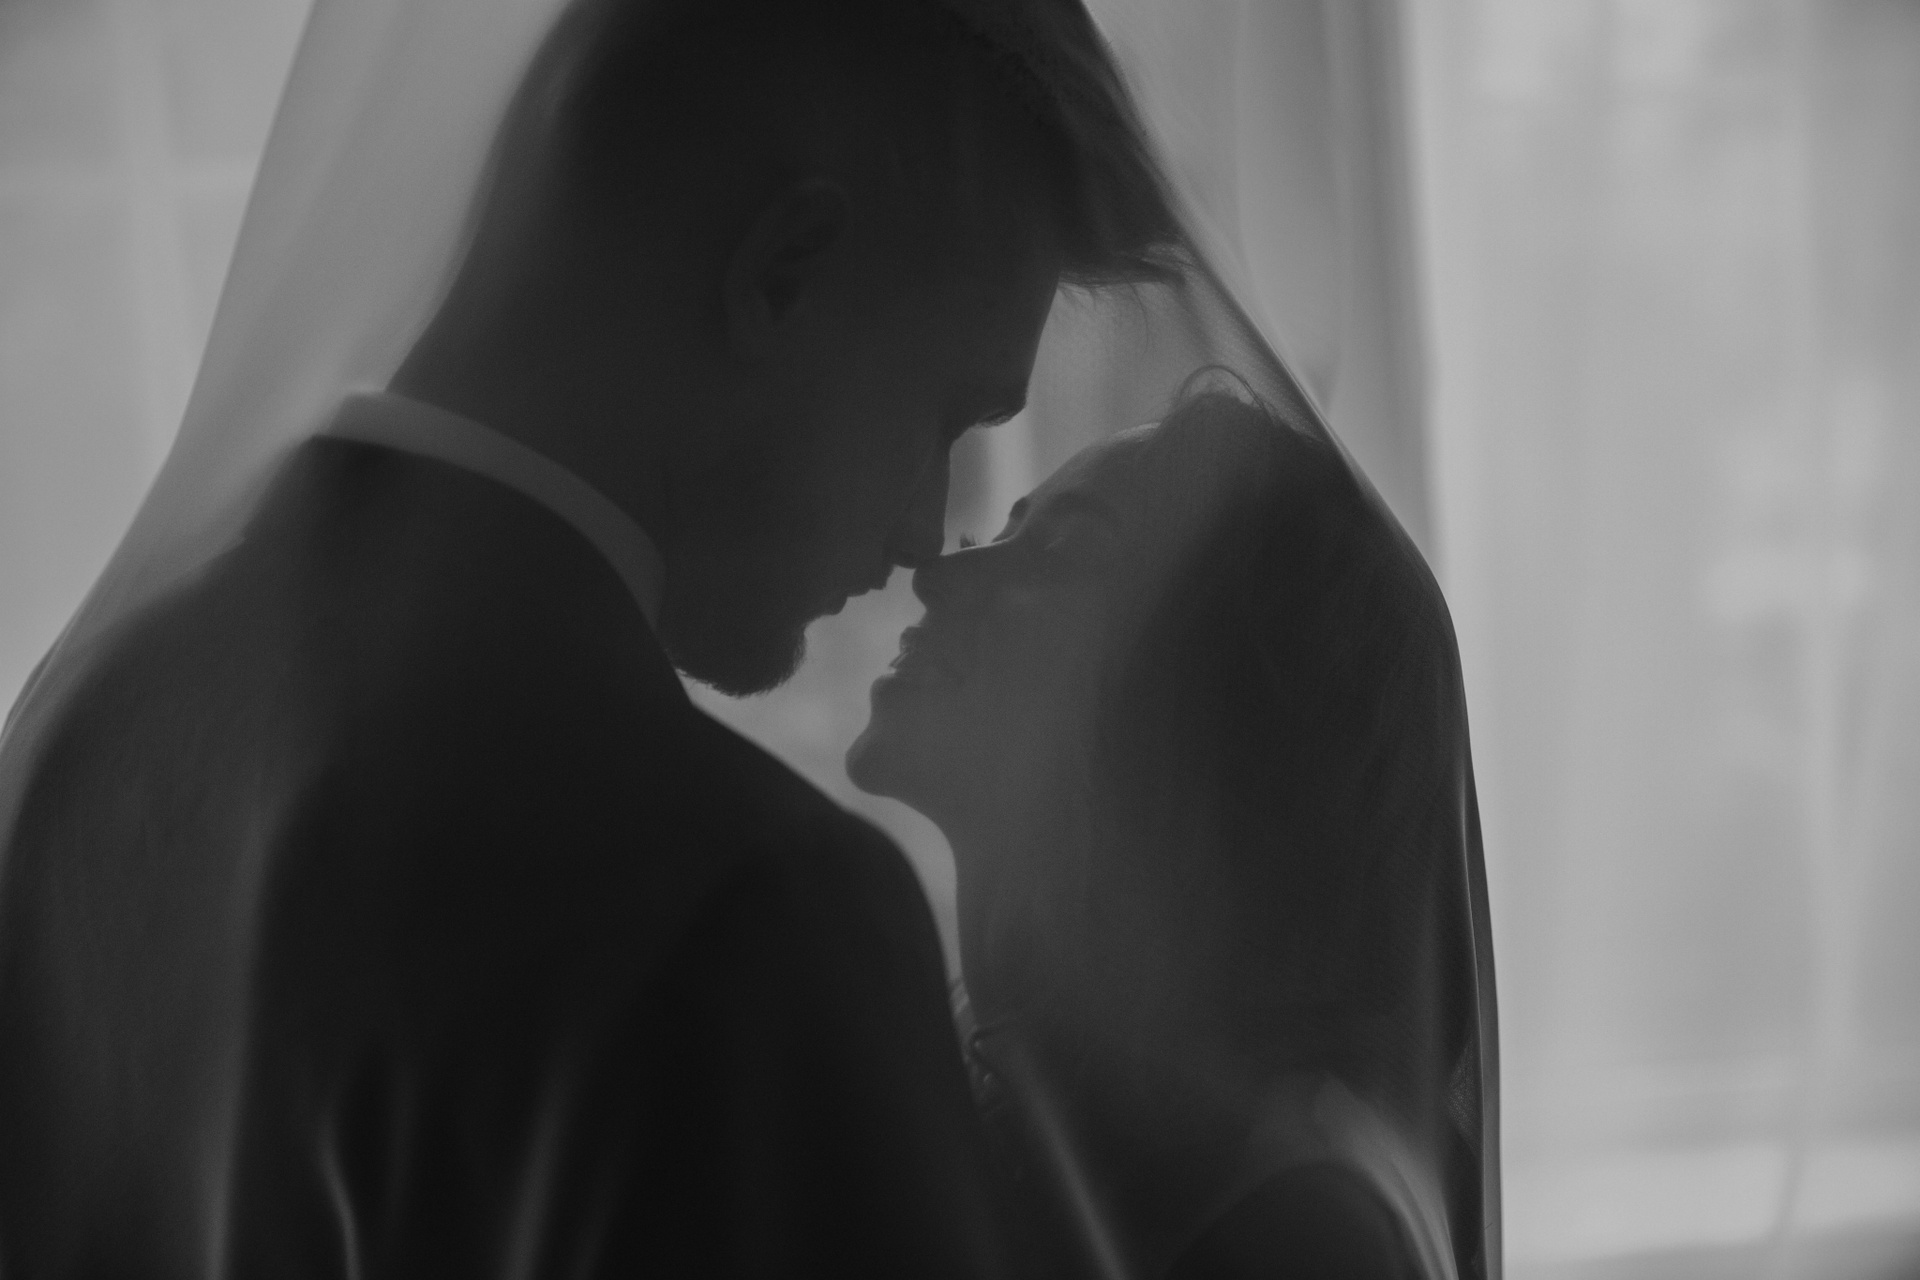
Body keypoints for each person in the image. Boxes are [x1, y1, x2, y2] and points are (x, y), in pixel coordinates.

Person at [0, 0, 1179, 1275]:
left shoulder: (92, 722)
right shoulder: (747, 911)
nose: (922, 534)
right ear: (782, 275)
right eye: (944, 414)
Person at [848, 385, 1498, 1279]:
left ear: (1211, 704)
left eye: (1061, 549)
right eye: (997, 532)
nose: (937, 576)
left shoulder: (1299, 1225)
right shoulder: (1022, 1102)